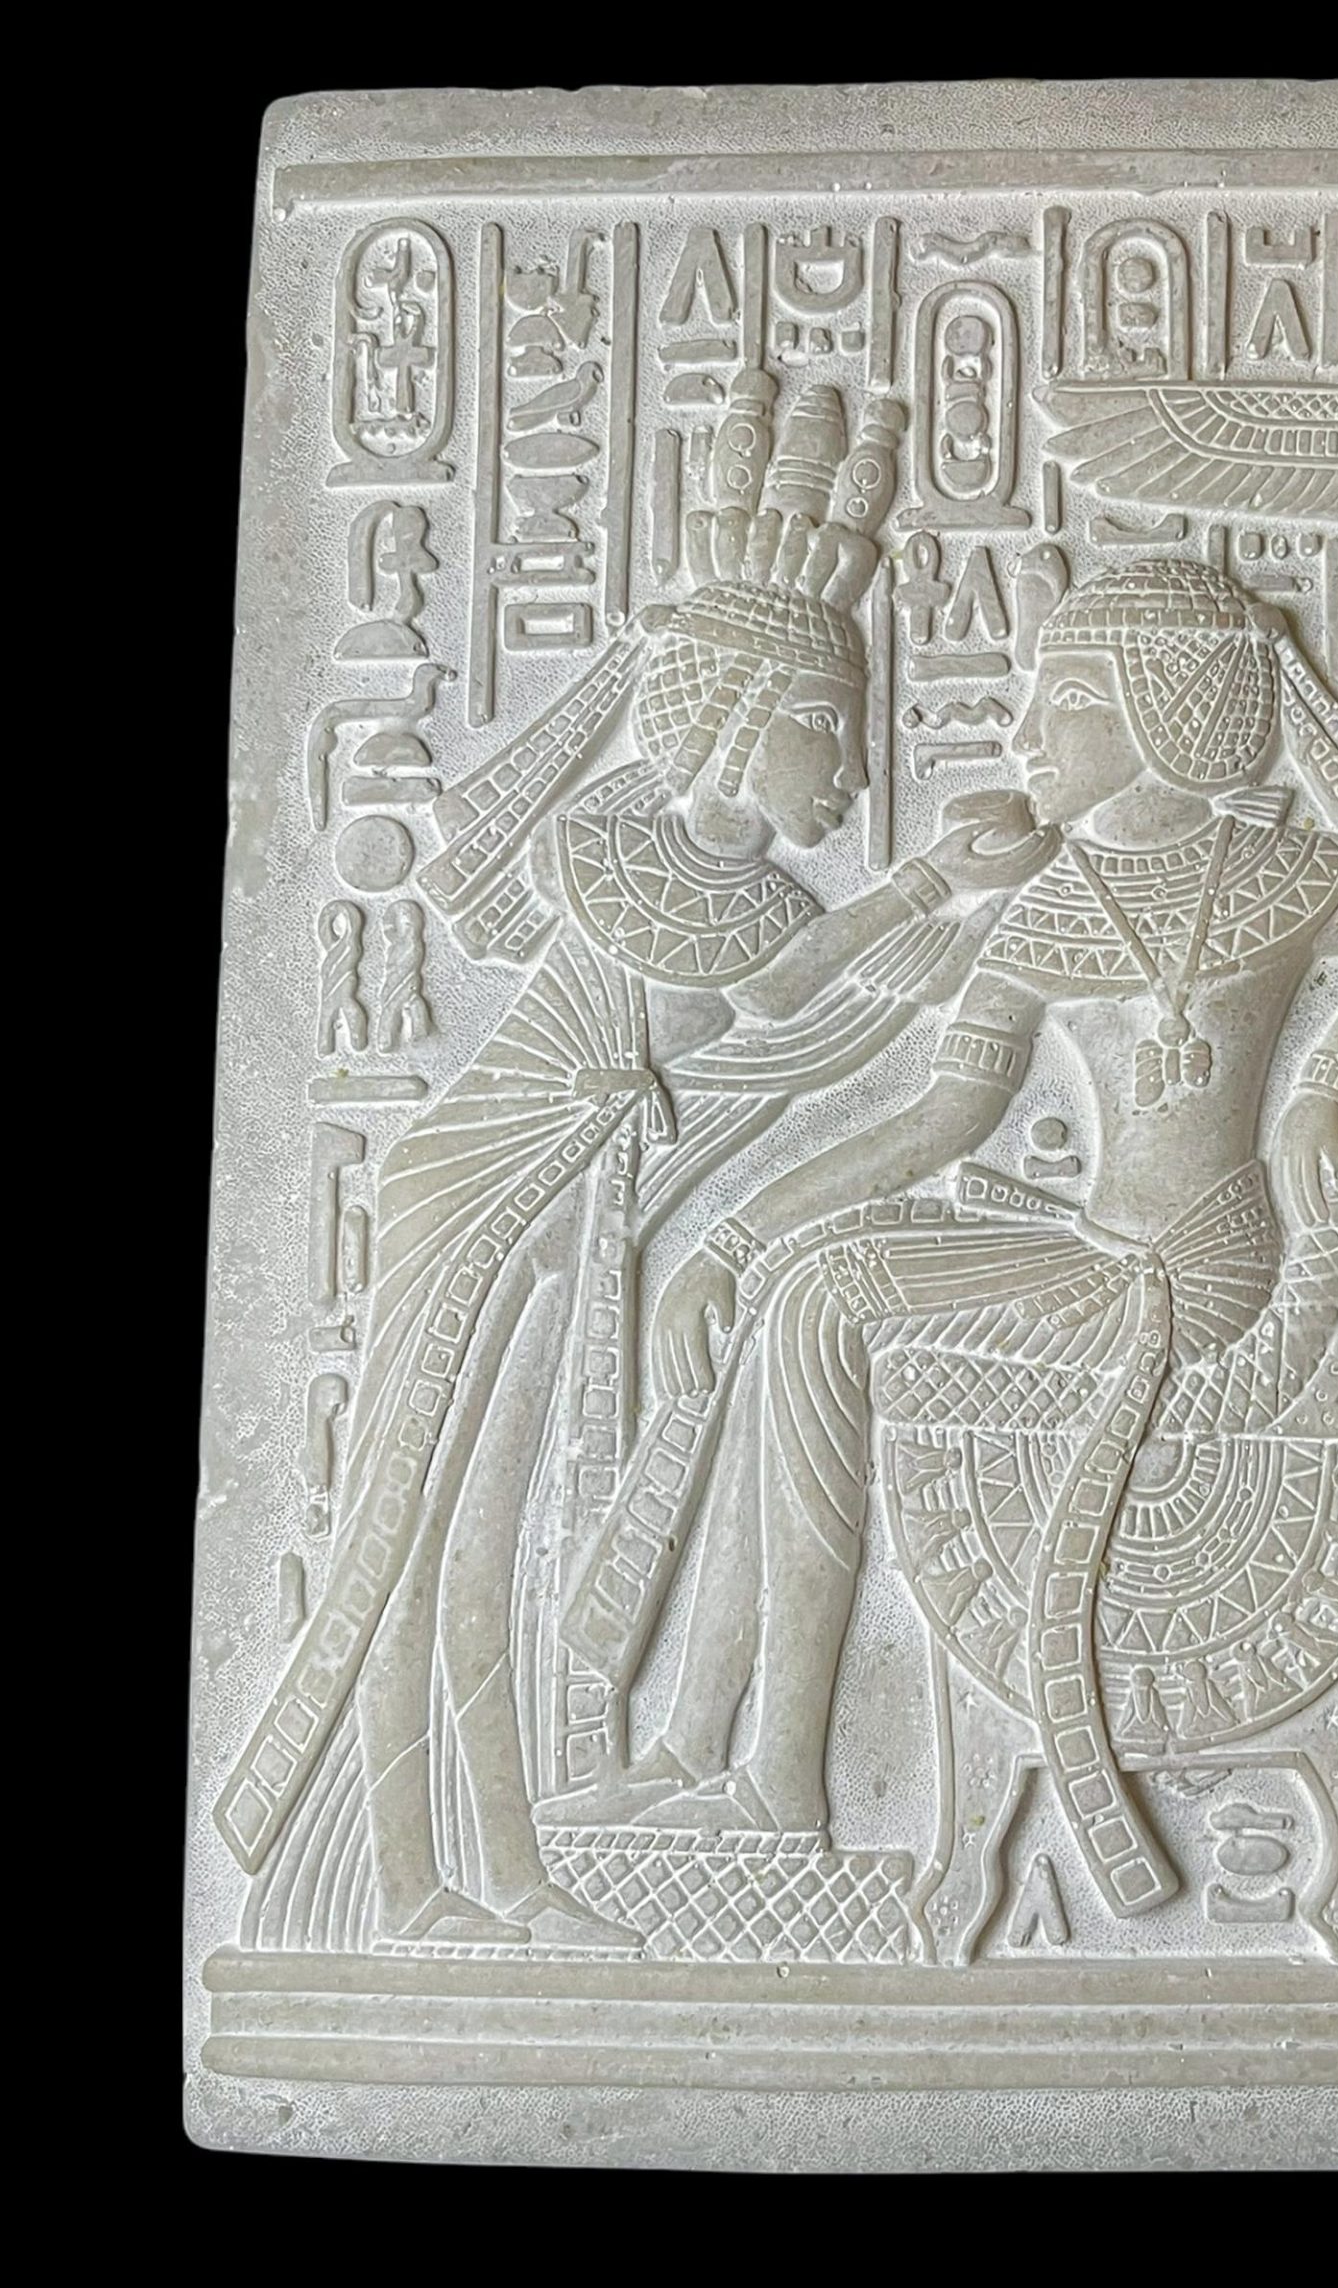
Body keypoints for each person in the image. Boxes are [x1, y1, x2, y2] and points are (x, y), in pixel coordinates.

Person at [560, 560, 1338, 1912]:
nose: (1025, 731)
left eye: (1065, 699)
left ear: (1164, 710)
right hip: (1099, 1258)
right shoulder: (1050, 906)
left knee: (819, 1308)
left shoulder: (1285, 877)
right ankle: (703, 1748)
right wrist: (735, 1240)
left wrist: (1332, 1069)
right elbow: (938, 1119)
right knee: (799, 1287)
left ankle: (777, 1772)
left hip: (1204, 1274)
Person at [217, 430, 1052, 1946]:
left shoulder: (762, 898)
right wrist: (929, 884)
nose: (856, 767)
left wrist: (962, 925)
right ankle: (411, 1885)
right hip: (481, 1196)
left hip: (566, 1221)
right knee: (418, 1539)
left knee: (485, 1549)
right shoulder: (609, 846)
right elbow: (782, 985)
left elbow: (813, 1026)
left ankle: (501, 1875)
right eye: (828, 727)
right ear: (735, 716)